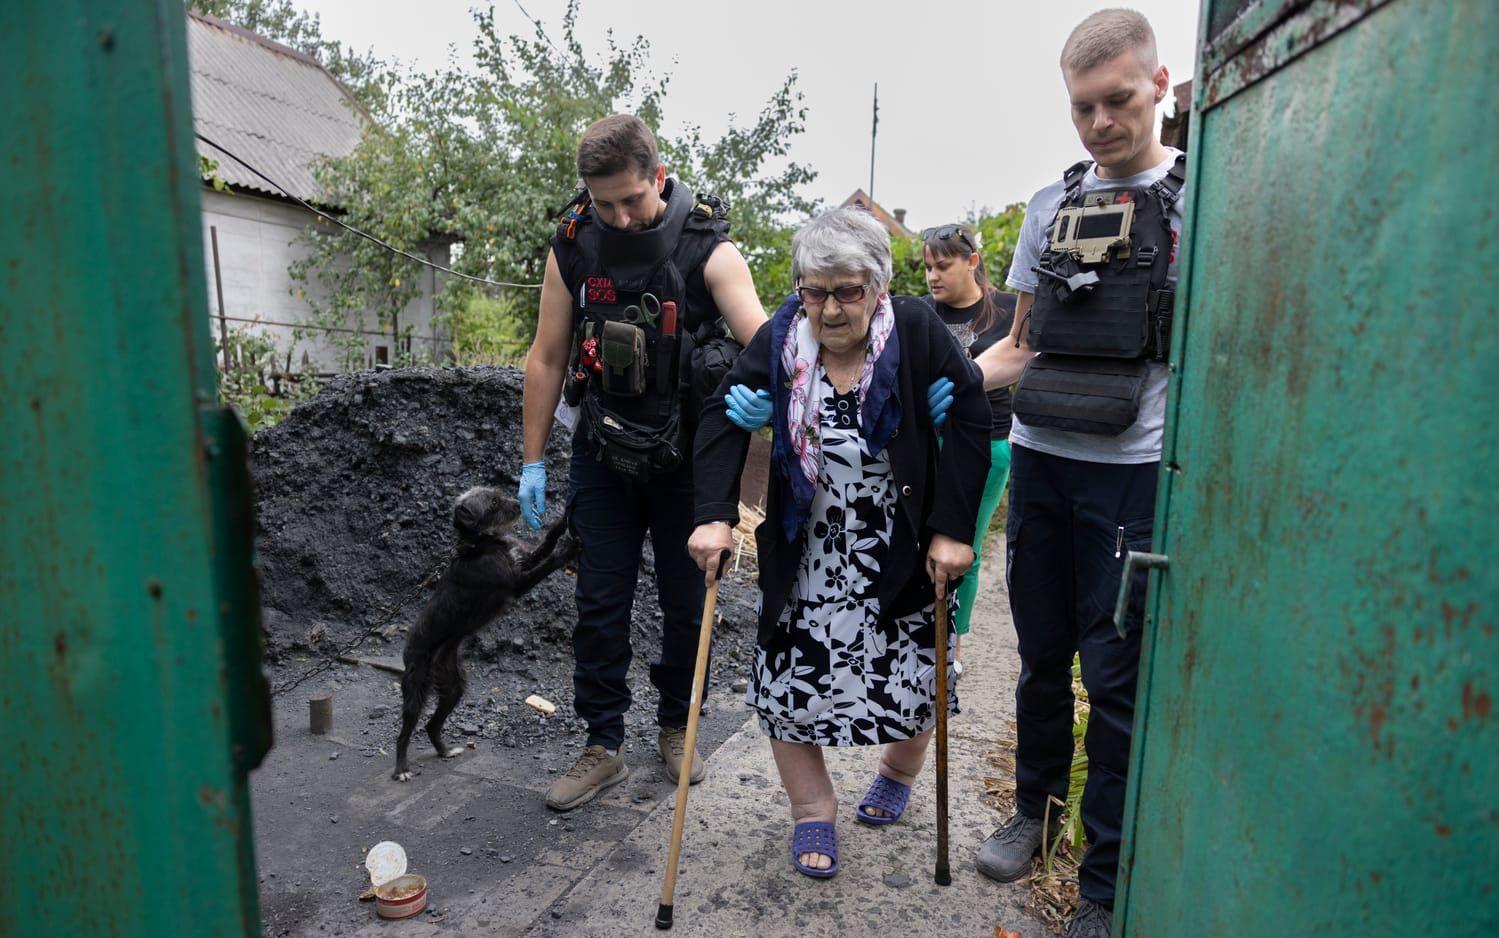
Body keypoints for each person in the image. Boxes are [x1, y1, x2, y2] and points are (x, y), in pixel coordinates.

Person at [687, 206, 991, 877]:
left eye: (846, 291)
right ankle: (811, 810)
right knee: (788, 687)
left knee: (916, 686)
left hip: (899, 546)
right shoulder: (781, 335)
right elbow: (719, 417)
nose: (827, 309)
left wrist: (952, 530)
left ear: (877, 287)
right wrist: (713, 514)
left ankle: (898, 768)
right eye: (813, 290)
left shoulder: (913, 330)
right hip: (807, 550)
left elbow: (971, 417)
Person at [969, 10, 1185, 937]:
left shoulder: (1195, 199)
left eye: (1117, 100)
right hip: (1042, 463)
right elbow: (1018, 347)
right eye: (1081, 107)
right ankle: (1035, 812)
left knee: (1118, 682)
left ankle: (1100, 885)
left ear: (1159, 85)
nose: (1099, 123)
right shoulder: (1047, 207)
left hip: (1133, 478)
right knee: (1037, 659)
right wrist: (926, 393)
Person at [519, 114, 766, 811]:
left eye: (632, 199)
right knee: (598, 605)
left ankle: (674, 728)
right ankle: (602, 743)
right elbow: (545, 356)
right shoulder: (573, 247)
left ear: (658, 176)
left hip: (688, 462)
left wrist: (766, 396)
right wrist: (532, 461)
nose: (621, 218)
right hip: (602, 450)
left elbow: (770, 344)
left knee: (687, 605)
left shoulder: (708, 251)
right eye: (605, 205)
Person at [920, 223, 1018, 659]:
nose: (933, 276)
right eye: (927, 268)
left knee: (965, 546)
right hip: (927, 443)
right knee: (920, 542)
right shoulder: (921, 313)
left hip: (987, 445)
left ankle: (951, 648)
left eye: (942, 266)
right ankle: (917, 634)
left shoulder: (1007, 310)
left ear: (972, 262)